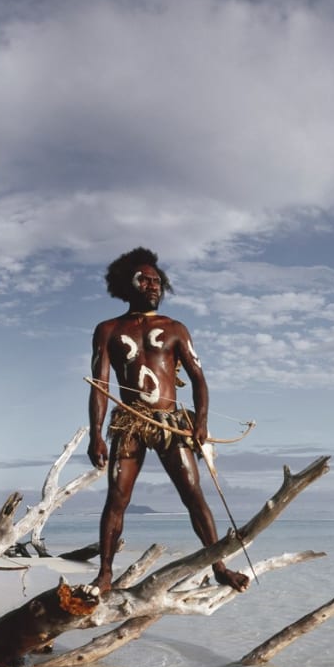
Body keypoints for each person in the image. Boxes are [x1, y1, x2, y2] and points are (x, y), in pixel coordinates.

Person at [87, 247, 250, 594]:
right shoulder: (108, 329)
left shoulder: (175, 329)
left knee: (193, 494)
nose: (153, 286)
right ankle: (104, 574)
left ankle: (219, 566)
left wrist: (201, 421)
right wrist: (96, 436)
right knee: (117, 498)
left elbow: (198, 379)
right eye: (144, 280)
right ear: (126, 284)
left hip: (171, 423)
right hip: (130, 422)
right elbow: (100, 387)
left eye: (157, 282)